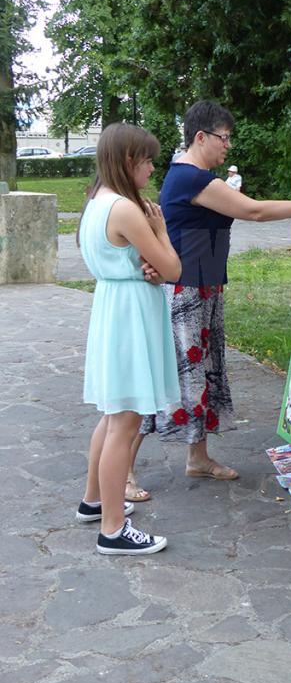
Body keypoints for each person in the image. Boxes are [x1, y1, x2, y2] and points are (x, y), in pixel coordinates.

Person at [134, 100, 291, 484]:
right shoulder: (192, 178)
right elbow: (255, 212)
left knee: (200, 374)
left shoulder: (195, 178)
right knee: (171, 379)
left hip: (203, 287)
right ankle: (123, 473)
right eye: (223, 138)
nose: (227, 146)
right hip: (187, 291)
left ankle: (197, 457)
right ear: (200, 137)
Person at [75, 122, 182, 554]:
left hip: (114, 306)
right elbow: (173, 269)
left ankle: (94, 501)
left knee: (112, 413)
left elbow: (135, 262)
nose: (153, 168)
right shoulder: (125, 208)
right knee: (126, 419)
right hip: (130, 315)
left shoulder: (96, 201)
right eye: (148, 160)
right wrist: (160, 234)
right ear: (127, 161)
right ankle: (114, 530)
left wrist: (148, 262)